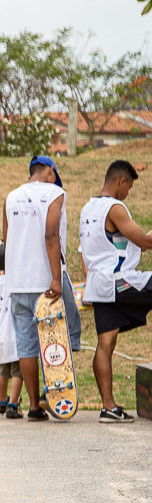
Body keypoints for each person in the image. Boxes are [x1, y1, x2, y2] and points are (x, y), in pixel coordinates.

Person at [2, 155, 82, 422]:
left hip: (17, 282)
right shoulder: (55, 193)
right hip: (46, 282)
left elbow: (6, 240)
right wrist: (56, 279)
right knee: (66, 331)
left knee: (26, 346)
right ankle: (53, 391)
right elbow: (51, 235)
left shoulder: (10, 197)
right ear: (50, 170)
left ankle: (35, 406)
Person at [79, 160, 151, 423]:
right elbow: (144, 241)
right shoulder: (115, 207)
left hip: (98, 286)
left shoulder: (88, 208)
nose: (128, 193)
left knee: (105, 344)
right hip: (119, 281)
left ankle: (108, 407)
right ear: (121, 181)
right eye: (129, 187)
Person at [0, 243, 23, 419]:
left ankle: (2, 401)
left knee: (4, 371)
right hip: (14, 334)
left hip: (0, 335)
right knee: (19, 372)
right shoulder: (15, 282)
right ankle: (13, 404)